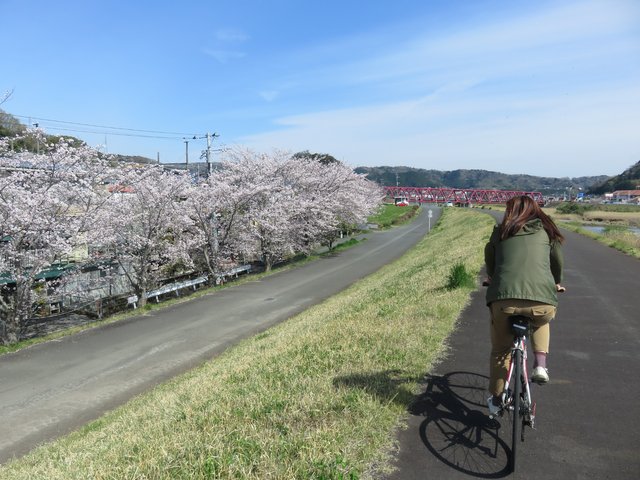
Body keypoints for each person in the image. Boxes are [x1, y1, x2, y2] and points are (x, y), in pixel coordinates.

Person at [484, 195, 565, 415]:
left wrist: (492, 277)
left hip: (503, 300)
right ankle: (540, 365)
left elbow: (489, 256)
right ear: (535, 210)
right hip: (541, 298)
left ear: (510, 211)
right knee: (541, 319)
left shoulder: (501, 231)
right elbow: (556, 259)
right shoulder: (547, 230)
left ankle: (497, 399)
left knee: (501, 351)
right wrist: (556, 282)